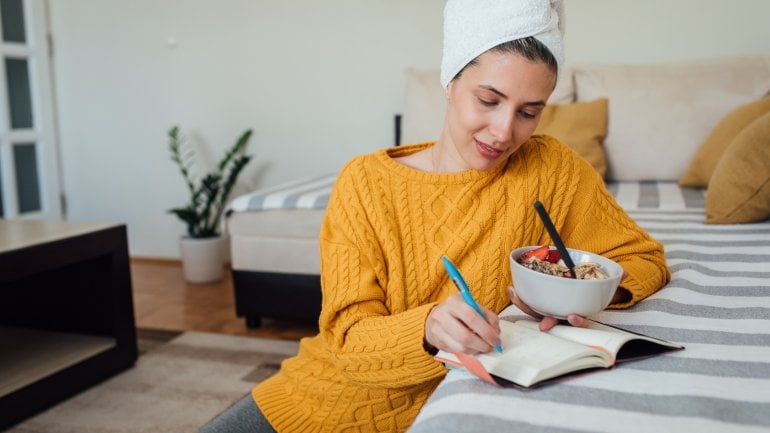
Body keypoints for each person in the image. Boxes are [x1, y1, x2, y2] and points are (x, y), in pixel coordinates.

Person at [200, 0, 670, 432]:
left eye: (529, 112)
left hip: (460, 409)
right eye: (488, 100)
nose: (505, 131)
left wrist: (574, 296)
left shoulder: (555, 170)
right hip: (329, 401)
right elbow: (347, 341)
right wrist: (426, 330)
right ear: (449, 82)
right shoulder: (365, 183)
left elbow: (641, 258)